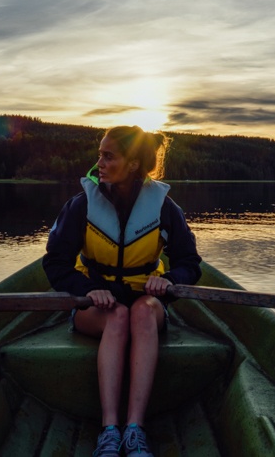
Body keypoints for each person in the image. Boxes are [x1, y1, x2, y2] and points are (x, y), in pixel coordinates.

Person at [43, 125, 202, 457]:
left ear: (133, 164)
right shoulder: (80, 206)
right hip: (95, 304)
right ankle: (110, 431)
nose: (99, 162)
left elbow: (190, 262)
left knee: (141, 312)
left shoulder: (164, 207)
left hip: (147, 299)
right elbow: (56, 264)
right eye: (100, 154)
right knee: (117, 316)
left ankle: (134, 430)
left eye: (108, 156)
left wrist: (169, 280)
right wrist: (88, 289)